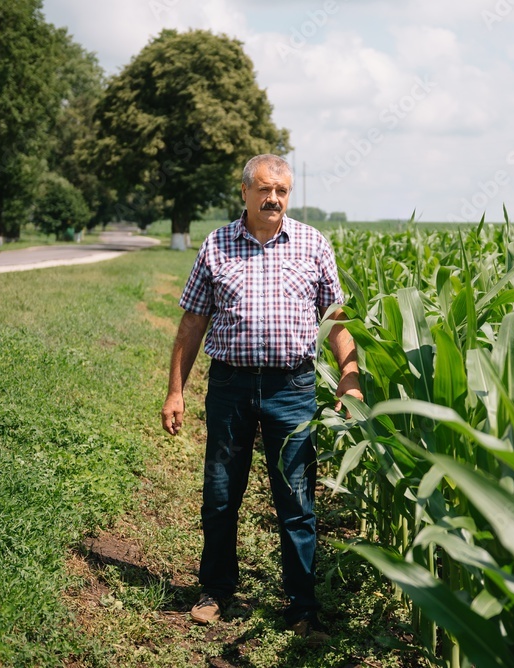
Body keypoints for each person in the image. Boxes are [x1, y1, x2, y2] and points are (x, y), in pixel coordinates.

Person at [160, 154, 362, 640]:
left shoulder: (313, 244)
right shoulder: (217, 244)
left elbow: (335, 317)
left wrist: (349, 376)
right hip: (229, 385)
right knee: (221, 492)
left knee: (295, 499)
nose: (274, 199)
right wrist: (174, 391)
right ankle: (215, 590)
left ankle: (302, 607)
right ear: (245, 192)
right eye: (265, 190)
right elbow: (192, 322)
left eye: (282, 191)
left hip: (290, 388)